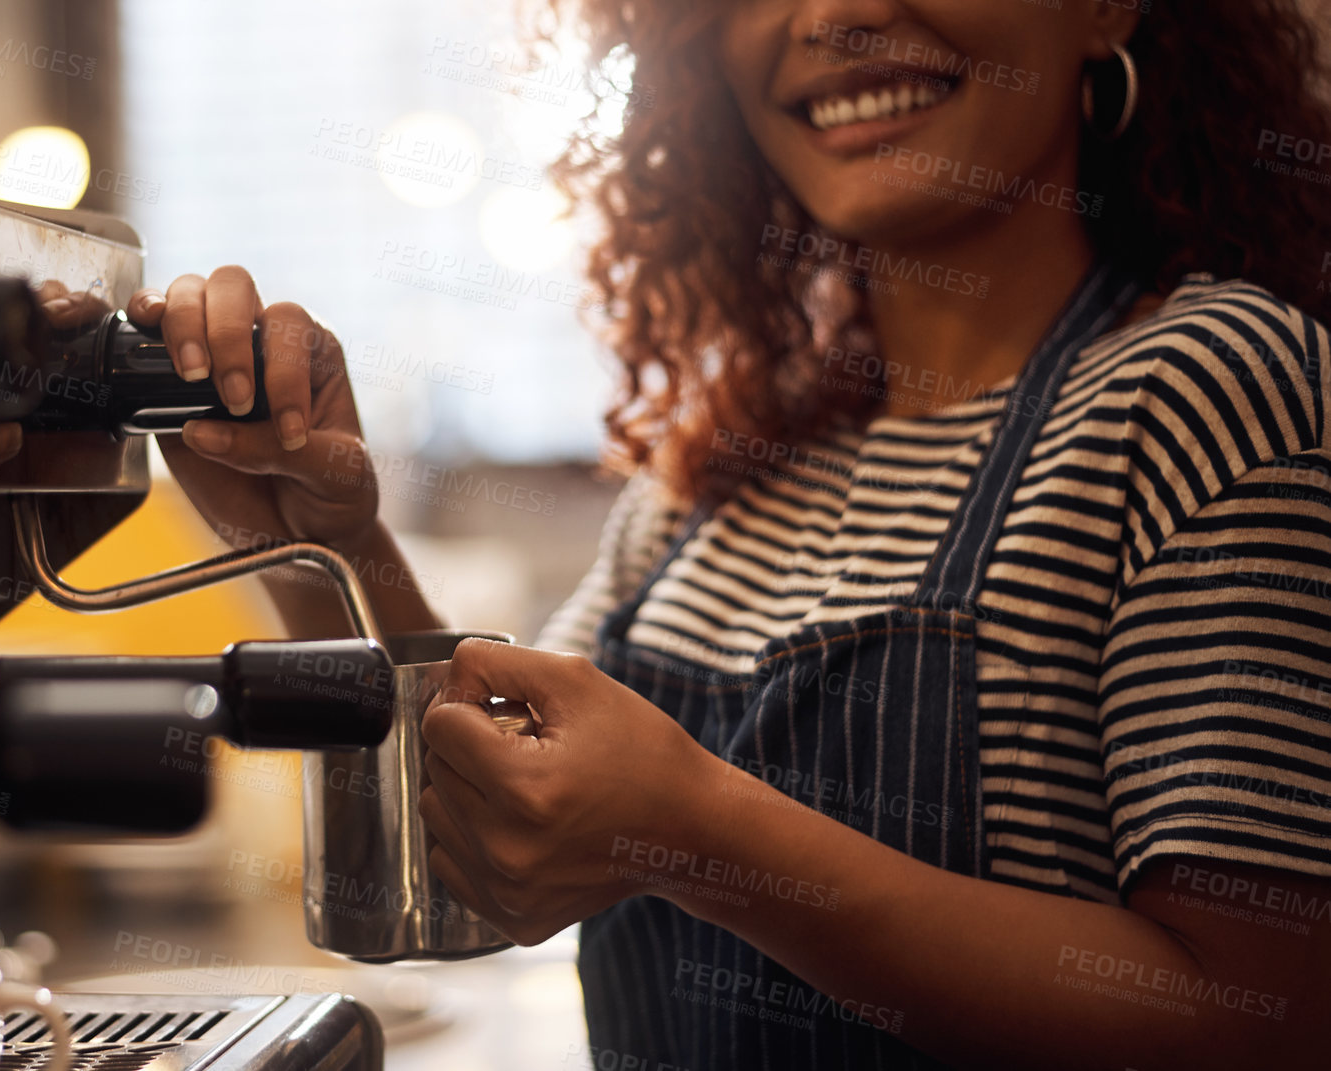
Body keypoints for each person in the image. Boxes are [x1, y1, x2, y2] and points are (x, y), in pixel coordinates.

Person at [122, 1, 1331, 1066]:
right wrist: (318, 543)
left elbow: (1257, 1022)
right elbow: (492, 849)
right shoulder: (724, 464)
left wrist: (698, 839)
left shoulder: (1202, 392)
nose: (834, 15)